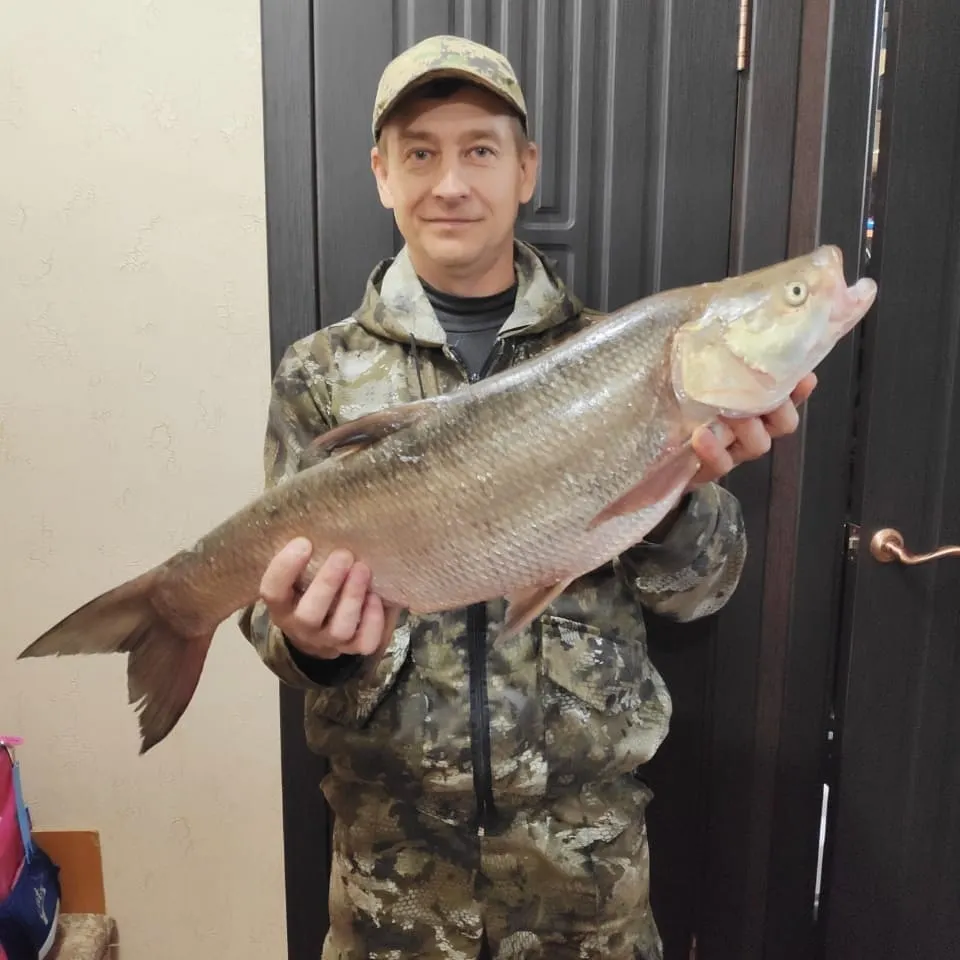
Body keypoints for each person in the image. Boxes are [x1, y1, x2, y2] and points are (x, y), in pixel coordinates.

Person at [239, 34, 815, 960]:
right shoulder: (318, 374)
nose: (450, 183)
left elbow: (703, 594)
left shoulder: (628, 353)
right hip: (391, 880)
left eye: (480, 149)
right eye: (419, 153)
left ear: (526, 169)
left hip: (587, 878)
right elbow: (270, 618)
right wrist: (311, 641)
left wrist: (672, 494)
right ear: (382, 174)